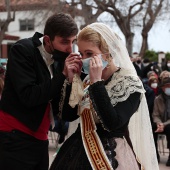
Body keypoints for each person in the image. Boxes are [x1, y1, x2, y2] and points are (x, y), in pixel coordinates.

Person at [50, 23, 159, 170]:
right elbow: (67, 115)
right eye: (81, 54)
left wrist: (96, 83)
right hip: (77, 149)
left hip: (112, 154)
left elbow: (112, 123)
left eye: (89, 54)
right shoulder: (86, 80)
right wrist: (69, 81)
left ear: (107, 53)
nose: (83, 59)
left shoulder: (130, 84)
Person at [0, 13, 82, 170]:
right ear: (47, 40)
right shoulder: (22, 50)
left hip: (40, 138)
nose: (70, 49)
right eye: (65, 42)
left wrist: (72, 82)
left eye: (73, 42)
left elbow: (63, 111)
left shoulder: (58, 61)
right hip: (15, 136)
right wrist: (63, 75)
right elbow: (29, 96)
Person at [152, 77, 170, 166]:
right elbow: (155, 114)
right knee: (151, 128)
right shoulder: (158, 99)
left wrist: (164, 124)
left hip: (168, 124)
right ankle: (155, 155)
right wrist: (159, 123)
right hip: (161, 122)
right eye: (166, 86)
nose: (168, 88)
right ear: (162, 88)